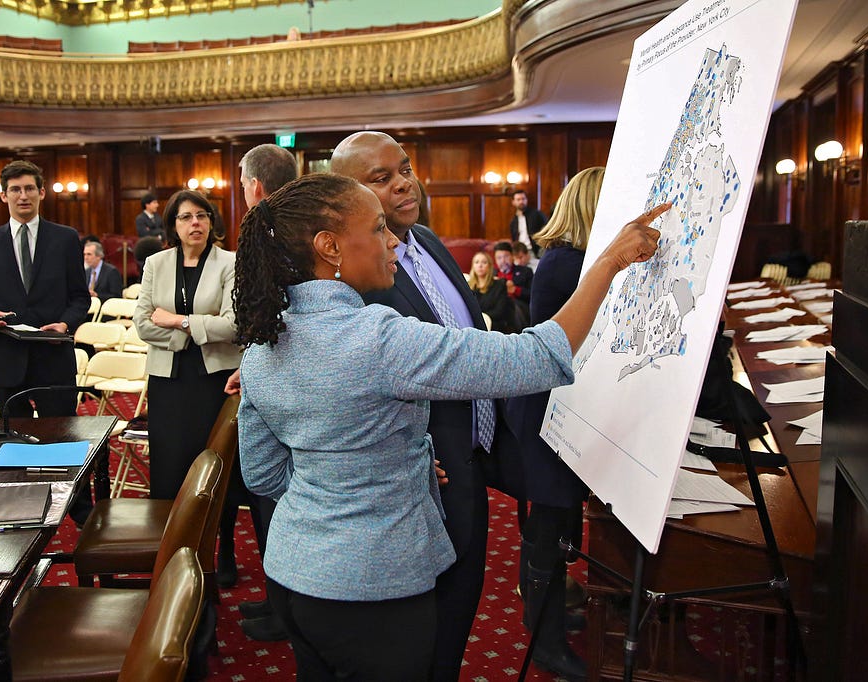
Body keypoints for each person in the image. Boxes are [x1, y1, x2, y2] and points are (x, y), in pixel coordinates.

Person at [234, 173, 667, 681]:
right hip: (374, 587)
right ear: (329, 247)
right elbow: (535, 357)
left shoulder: (263, 345)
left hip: (294, 577)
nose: (393, 240)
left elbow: (262, 474)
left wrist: (350, 478)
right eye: (377, 229)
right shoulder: (376, 339)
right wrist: (610, 262)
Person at [330, 131, 527, 681]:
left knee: (459, 612)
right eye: (381, 178)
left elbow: (460, 338)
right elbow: (350, 379)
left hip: (470, 461)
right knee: (417, 636)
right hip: (419, 476)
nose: (403, 184)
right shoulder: (354, 272)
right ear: (349, 195)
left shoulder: (429, 242)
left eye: (406, 169)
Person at [505, 166, 606, 679]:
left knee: (558, 524)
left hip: (560, 408)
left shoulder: (571, 259)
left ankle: (551, 611)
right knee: (546, 529)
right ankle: (543, 640)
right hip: (550, 412)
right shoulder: (570, 264)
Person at [0, 159, 92, 522]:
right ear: (4, 196)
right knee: (15, 444)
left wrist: (65, 323)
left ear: (41, 193)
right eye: (15, 190)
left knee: (64, 439)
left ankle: (79, 512)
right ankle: (20, 515)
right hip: (9, 358)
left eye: (29, 189)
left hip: (53, 355)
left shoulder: (66, 237)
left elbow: (80, 298)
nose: (22, 196)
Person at [226, 142, 299, 640]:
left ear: (253, 186)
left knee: (277, 493)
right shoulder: (300, 218)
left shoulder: (270, 229)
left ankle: (287, 610)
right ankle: (279, 601)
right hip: (277, 370)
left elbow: (269, 312)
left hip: (288, 377)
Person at [132, 190, 239, 504]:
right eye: (186, 217)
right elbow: (142, 323)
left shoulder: (229, 263)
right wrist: (193, 331)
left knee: (216, 465)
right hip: (168, 380)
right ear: (173, 225)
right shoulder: (156, 263)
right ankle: (167, 542)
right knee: (170, 465)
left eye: (202, 215)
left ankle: (225, 546)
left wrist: (178, 322)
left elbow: (234, 325)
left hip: (214, 380)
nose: (196, 223)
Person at [467, 251, 514, 333]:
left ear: (489, 266)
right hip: (473, 327)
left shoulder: (499, 285)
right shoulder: (468, 286)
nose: (480, 265)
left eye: (484, 262)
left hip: (495, 328)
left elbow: (500, 311)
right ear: (473, 266)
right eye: (476, 262)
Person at [509, 189, 548, 257]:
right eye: (518, 199)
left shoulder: (537, 214)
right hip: (519, 252)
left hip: (535, 251)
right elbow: (514, 239)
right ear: (513, 202)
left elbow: (547, 230)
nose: (521, 201)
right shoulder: (513, 221)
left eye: (523, 199)